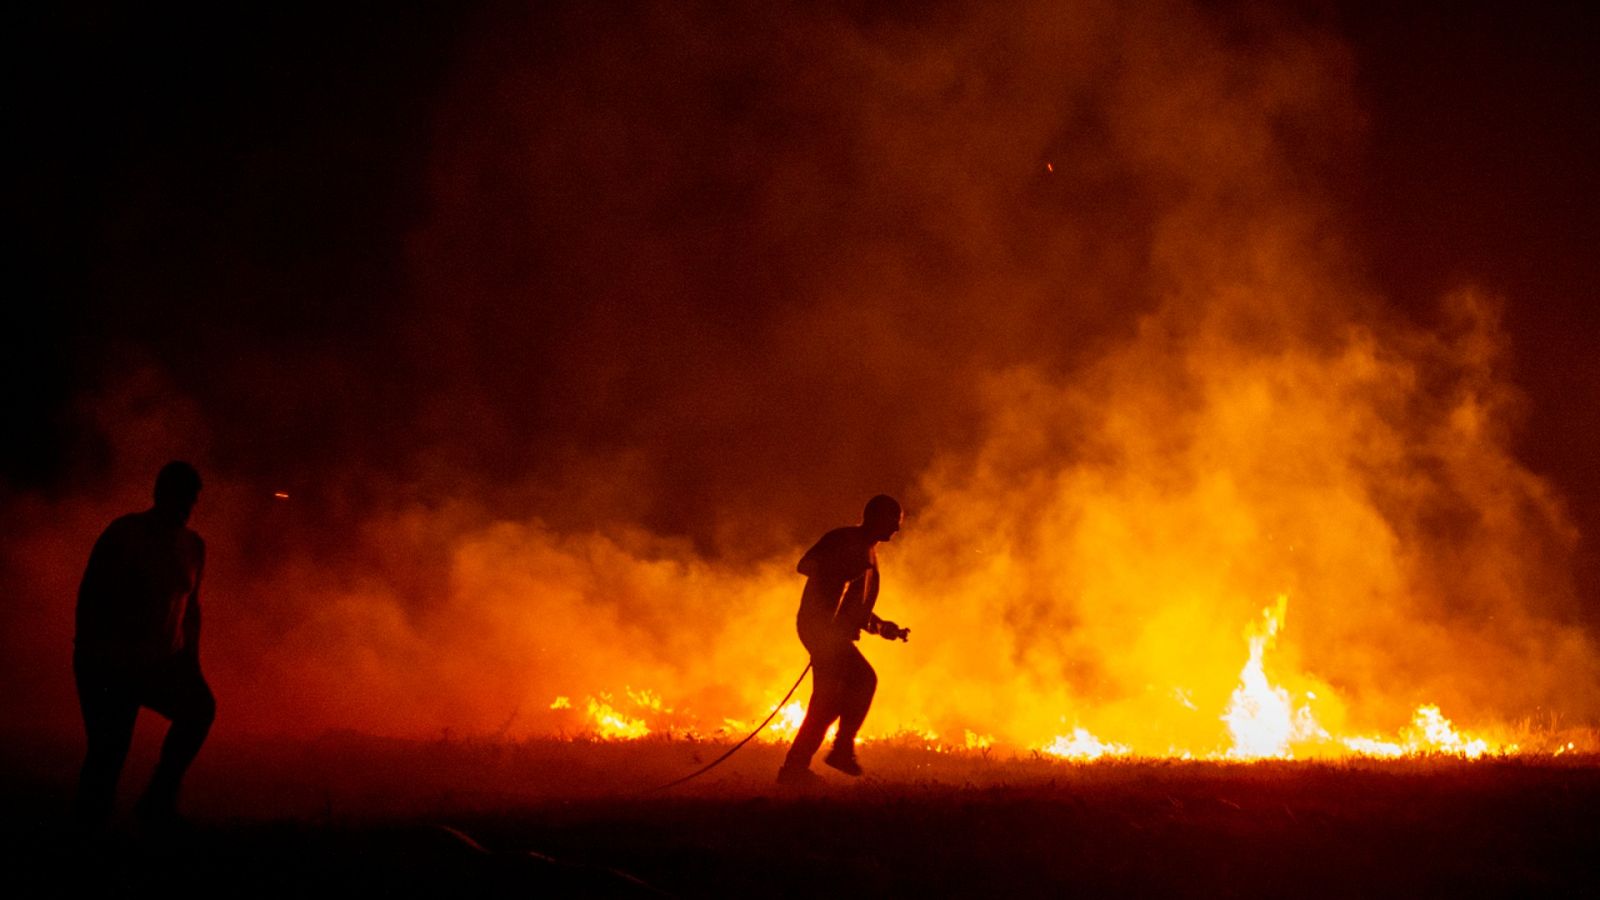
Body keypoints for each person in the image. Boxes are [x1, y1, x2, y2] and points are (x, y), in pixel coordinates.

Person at [73, 461, 216, 826]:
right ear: (161, 495)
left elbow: (191, 609)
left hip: (159, 663)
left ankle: (158, 799)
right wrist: (94, 659)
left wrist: (191, 662)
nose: (187, 509)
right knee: (109, 751)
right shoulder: (125, 535)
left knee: (199, 709)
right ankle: (90, 827)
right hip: (111, 662)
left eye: (192, 501)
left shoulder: (192, 546)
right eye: (182, 499)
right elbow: (91, 597)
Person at [777, 494, 909, 785]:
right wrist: (836, 572)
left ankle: (797, 767)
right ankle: (839, 750)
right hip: (820, 629)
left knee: (828, 701)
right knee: (863, 680)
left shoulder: (868, 552)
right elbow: (805, 565)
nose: (897, 529)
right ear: (876, 517)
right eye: (893, 521)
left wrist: (883, 627)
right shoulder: (844, 539)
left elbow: (855, 608)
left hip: (830, 633)